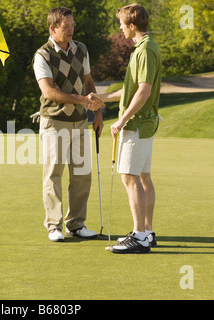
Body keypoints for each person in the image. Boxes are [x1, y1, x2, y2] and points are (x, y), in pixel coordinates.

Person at [94, 3, 162, 253]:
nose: (121, 29)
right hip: (144, 124)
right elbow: (131, 91)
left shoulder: (144, 51)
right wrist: (104, 98)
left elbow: (144, 91)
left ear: (132, 26)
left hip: (137, 125)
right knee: (143, 177)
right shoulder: (145, 47)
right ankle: (146, 232)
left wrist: (122, 120)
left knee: (129, 177)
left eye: (122, 24)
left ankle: (140, 237)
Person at [33, 7, 104, 242]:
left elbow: (88, 81)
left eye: (72, 25)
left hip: (81, 122)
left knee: (82, 174)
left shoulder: (81, 50)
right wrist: (83, 100)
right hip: (54, 123)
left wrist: (98, 114)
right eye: (66, 27)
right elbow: (49, 91)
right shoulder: (42, 55)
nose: (71, 30)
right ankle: (54, 226)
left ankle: (76, 223)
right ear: (53, 29)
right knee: (54, 174)